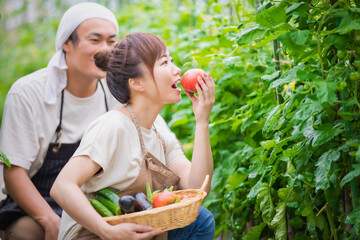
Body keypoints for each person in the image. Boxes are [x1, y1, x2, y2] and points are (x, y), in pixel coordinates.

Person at [0, 2, 157, 240]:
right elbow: (14, 173)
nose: (105, 49)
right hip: (34, 204)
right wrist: (49, 220)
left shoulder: (117, 92)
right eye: (94, 40)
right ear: (66, 43)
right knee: (28, 234)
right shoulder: (28, 93)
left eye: (111, 41)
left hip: (94, 203)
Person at [50, 32, 216, 240]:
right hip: (94, 234)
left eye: (171, 61)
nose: (177, 69)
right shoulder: (113, 125)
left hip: (139, 229)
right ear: (137, 83)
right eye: (165, 63)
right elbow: (62, 187)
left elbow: (197, 186)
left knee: (200, 220)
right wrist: (108, 231)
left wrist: (202, 122)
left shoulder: (158, 127)